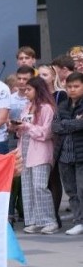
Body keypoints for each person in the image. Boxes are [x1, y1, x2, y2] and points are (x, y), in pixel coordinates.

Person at [17, 77, 58, 234]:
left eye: (29, 89)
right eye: (25, 90)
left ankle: (50, 220)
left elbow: (46, 133)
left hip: (40, 151)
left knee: (40, 186)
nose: (26, 92)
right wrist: (17, 127)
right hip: (25, 149)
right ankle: (34, 220)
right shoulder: (27, 107)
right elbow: (24, 130)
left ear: (38, 90)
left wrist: (27, 126)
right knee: (27, 187)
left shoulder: (47, 108)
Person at [53, 72, 83, 236]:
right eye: (70, 86)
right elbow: (55, 127)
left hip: (80, 155)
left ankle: (81, 221)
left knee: (82, 189)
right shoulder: (63, 105)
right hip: (64, 154)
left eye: (76, 86)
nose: (72, 90)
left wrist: (67, 124)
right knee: (71, 191)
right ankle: (78, 222)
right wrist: (74, 123)